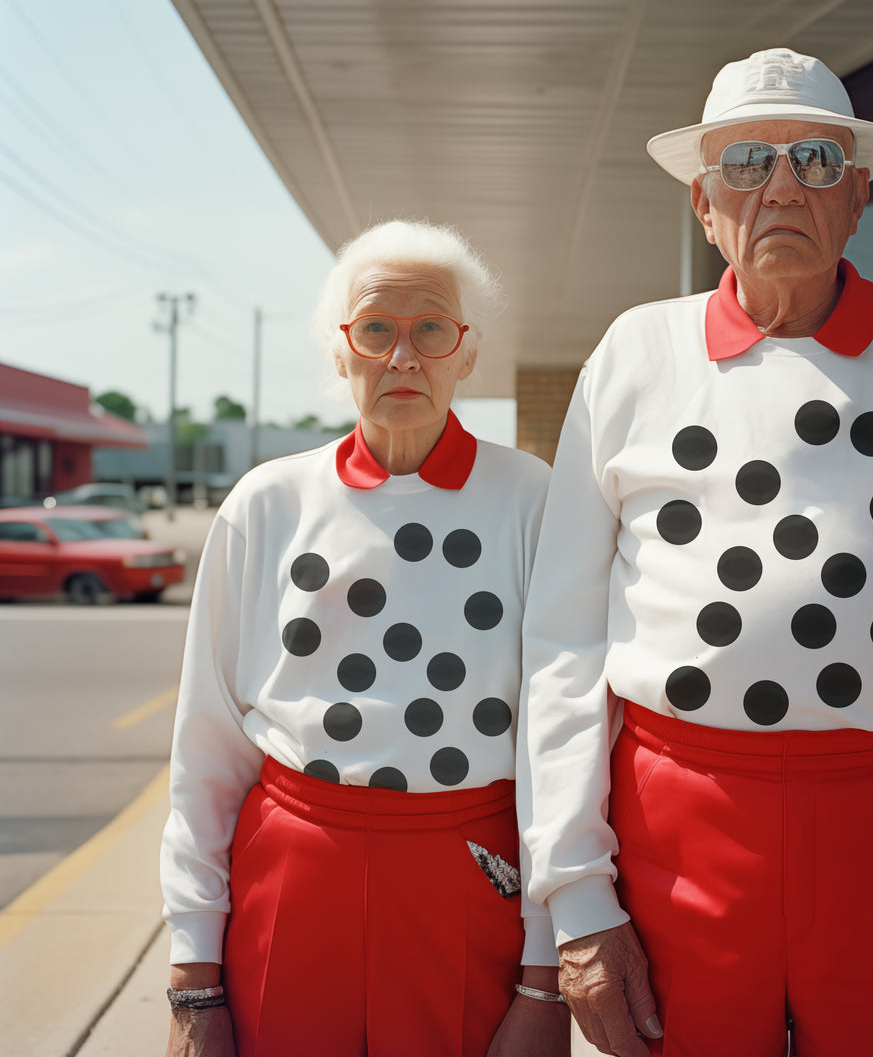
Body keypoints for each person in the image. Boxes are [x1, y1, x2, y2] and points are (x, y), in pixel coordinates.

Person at [518, 49, 873, 1057]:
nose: (781, 185)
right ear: (704, 204)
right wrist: (576, 897)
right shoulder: (633, 354)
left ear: (859, 195)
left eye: (816, 161)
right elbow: (565, 640)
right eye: (747, 164)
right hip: (676, 826)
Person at [162, 219, 569, 1056]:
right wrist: (194, 979)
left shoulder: (534, 499)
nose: (403, 356)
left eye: (431, 329)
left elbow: (559, 746)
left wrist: (543, 977)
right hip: (293, 878)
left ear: (467, 352)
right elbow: (207, 745)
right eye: (376, 329)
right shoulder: (266, 503)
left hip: (472, 876)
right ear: (340, 351)